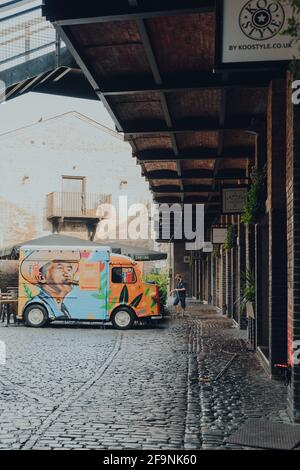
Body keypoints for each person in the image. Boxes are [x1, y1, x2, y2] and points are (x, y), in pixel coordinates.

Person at [20, 251, 80, 320]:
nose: (68, 274)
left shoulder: (62, 307)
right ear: (41, 278)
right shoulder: (40, 302)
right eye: (60, 268)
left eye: (69, 269)